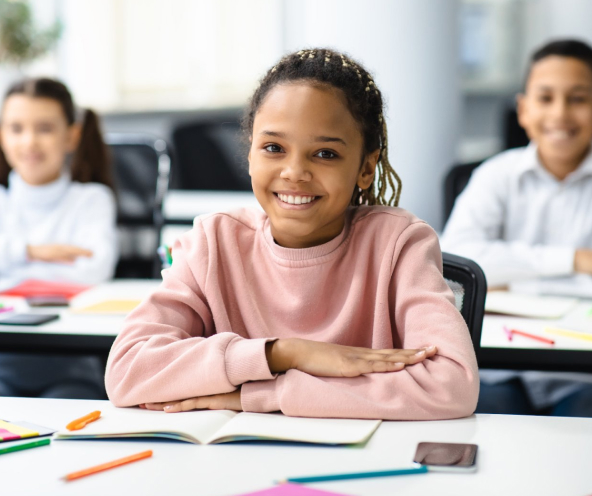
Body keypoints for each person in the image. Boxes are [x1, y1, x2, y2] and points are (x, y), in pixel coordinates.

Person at [106, 48, 478, 420]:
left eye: (326, 154)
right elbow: (127, 371)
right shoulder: (213, 242)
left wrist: (263, 394)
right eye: (273, 148)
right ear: (250, 154)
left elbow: (451, 386)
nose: (295, 172)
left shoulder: (399, 244)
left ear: (366, 167)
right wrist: (283, 353)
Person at [441, 39, 592, 416]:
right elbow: (460, 263)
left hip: (584, 375)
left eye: (578, 98)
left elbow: (482, 274)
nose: (560, 113)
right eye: (545, 98)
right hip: (498, 370)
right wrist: (574, 261)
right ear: (523, 110)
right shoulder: (495, 175)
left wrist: (511, 277)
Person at [0, 77, 118, 399]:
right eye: (16, 128)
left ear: (72, 136)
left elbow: (94, 270)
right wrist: (35, 252)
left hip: (73, 369)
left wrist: (12, 269)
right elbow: (74, 273)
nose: (29, 142)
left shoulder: (91, 199)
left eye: (45, 128)